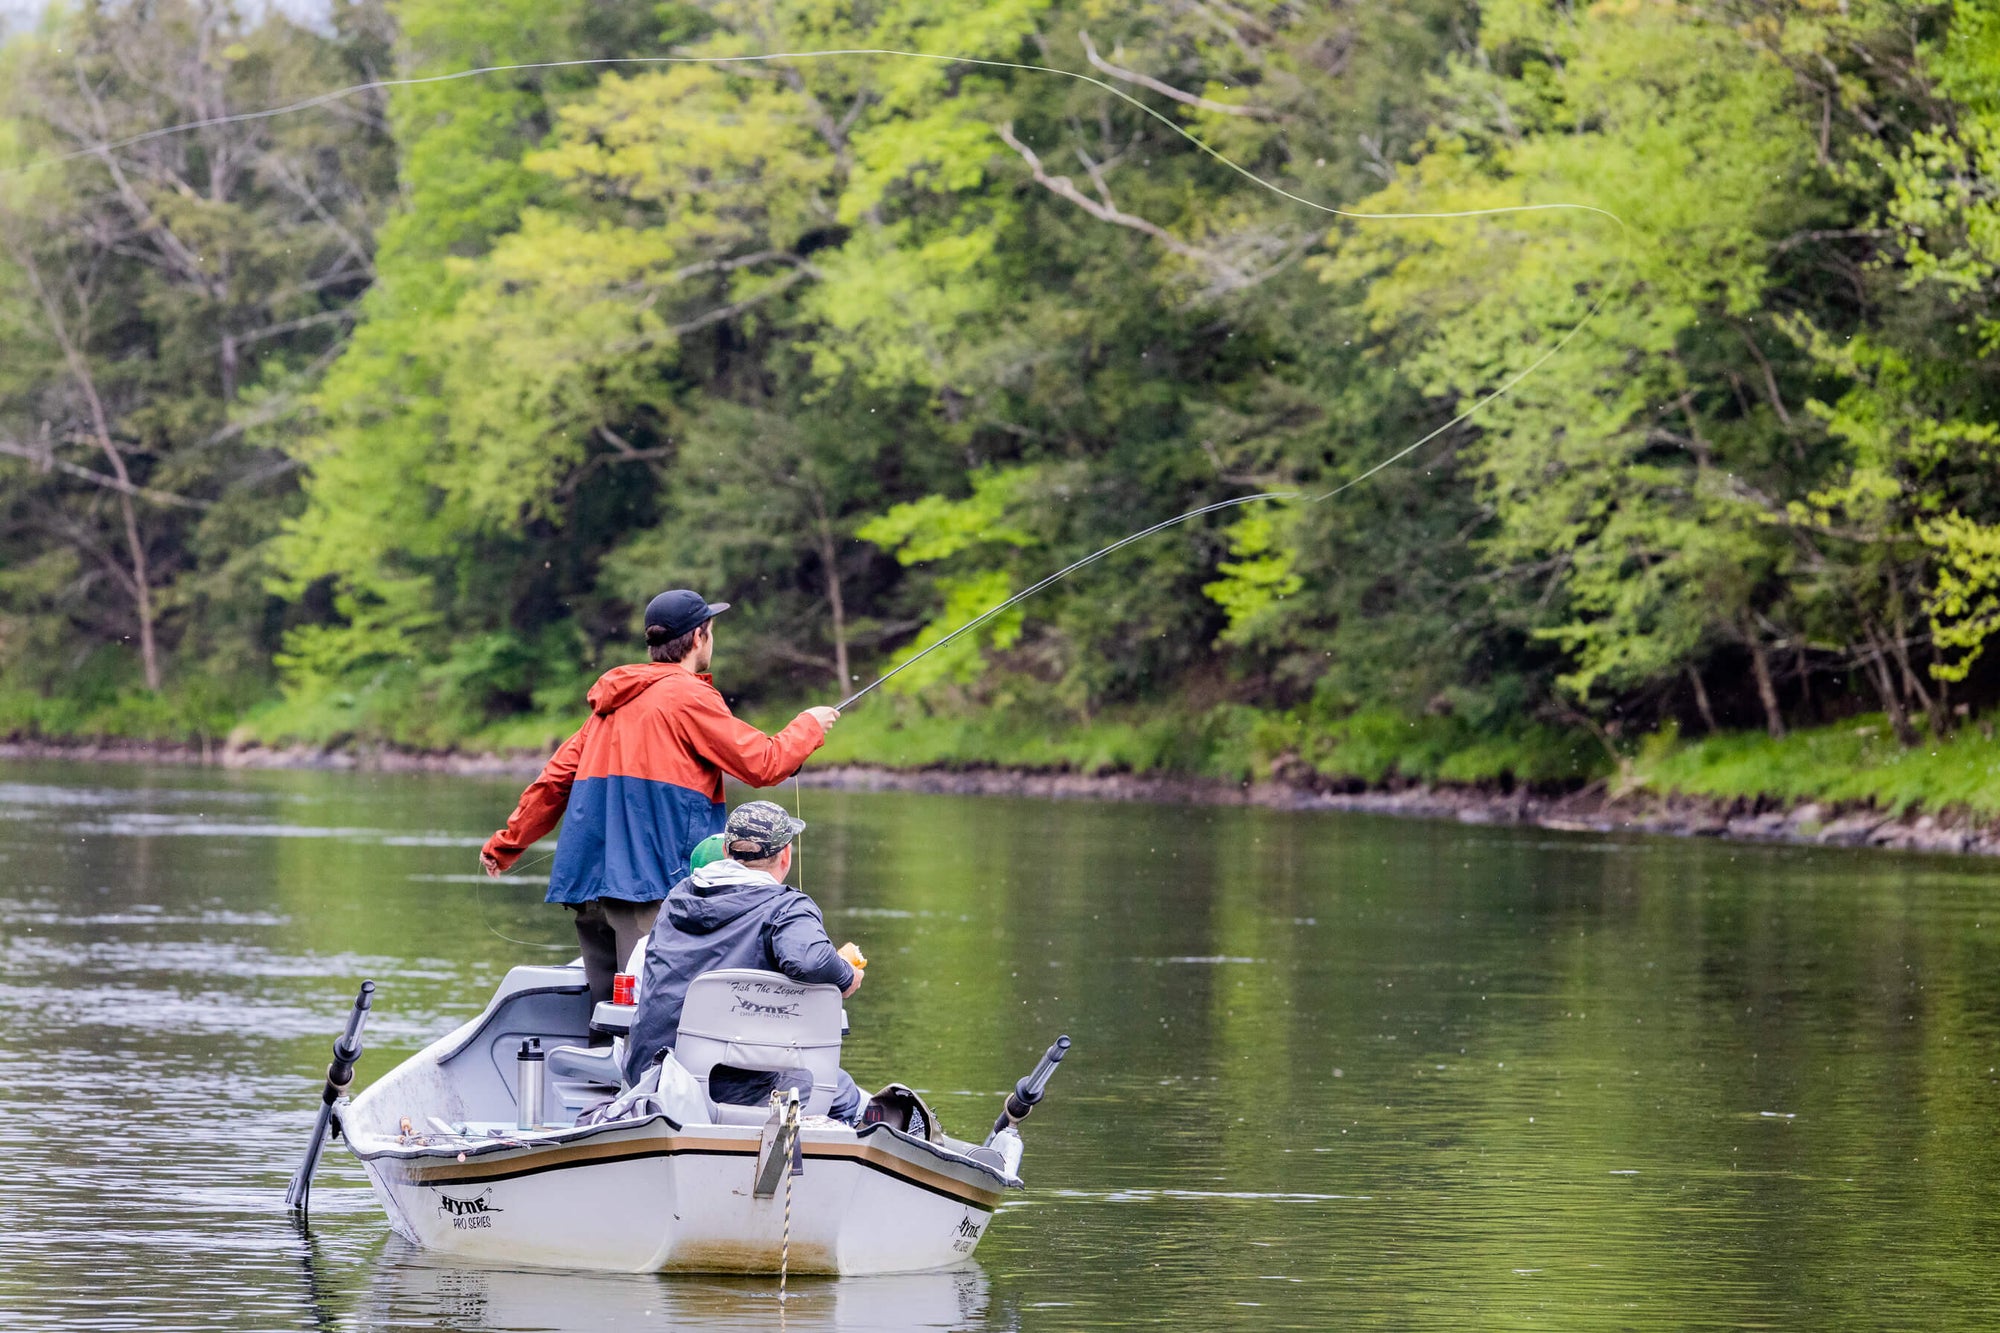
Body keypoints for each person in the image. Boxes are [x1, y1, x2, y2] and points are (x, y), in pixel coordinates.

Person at [479, 589, 841, 1004]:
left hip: (593, 892)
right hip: (649, 888)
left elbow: (553, 782)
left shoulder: (611, 704)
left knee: (608, 1014)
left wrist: (505, 845)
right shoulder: (689, 697)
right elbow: (765, 763)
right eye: (711, 631)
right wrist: (809, 725)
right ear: (699, 637)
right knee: (652, 1011)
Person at [622, 800, 865, 1121]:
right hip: (737, 1084)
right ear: (785, 855)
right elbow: (809, 960)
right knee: (842, 1092)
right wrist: (846, 975)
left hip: (656, 1073)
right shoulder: (786, 907)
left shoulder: (678, 897)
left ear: (726, 851)